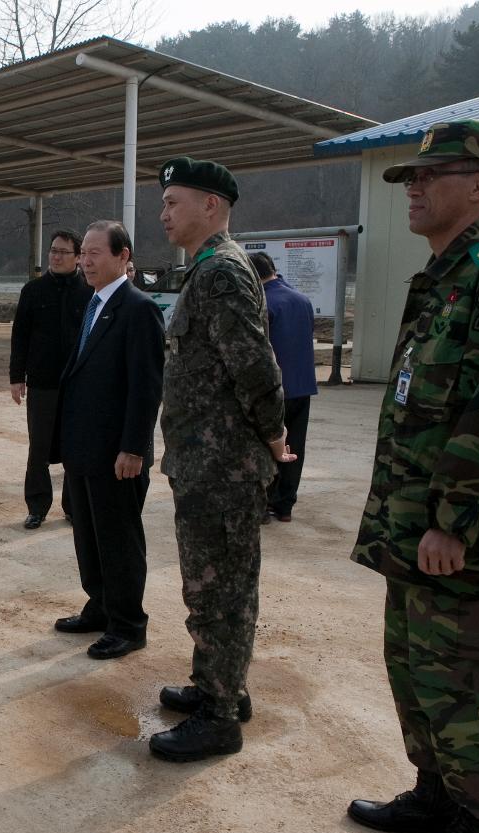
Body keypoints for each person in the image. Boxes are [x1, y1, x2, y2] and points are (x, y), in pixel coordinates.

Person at [347, 120, 479, 833]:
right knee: (414, 663)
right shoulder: (443, 277)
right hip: (413, 523)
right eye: (409, 179)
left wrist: (453, 520)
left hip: (457, 534)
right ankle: (436, 793)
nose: (414, 188)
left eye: (432, 175)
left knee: (460, 680)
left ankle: (478, 823)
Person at [149, 157, 293, 762]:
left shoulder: (223, 273)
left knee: (219, 590)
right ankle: (221, 685)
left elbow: (255, 368)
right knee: (217, 585)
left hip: (222, 465)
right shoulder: (209, 270)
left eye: (174, 201)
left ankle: (220, 715)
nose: (163, 213)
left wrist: (274, 435)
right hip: (204, 461)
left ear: (212, 205)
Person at [49, 221, 164, 659]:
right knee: (90, 538)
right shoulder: (94, 303)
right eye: (84, 254)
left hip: (118, 453)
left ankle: (129, 625)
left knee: (118, 541)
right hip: (85, 449)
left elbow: (146, 386)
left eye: (95, 253)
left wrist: (133, 447)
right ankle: (99, 607)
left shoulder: (138, 309)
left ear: (123, 256)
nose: (85, 261)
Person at [10, 229, 92, 529]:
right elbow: (19, 336)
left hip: (77, 384)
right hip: (42, 382)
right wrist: (16, 377)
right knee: (39, 446)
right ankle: (37, 506)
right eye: (53, 251)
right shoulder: (33, 292)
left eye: (63, 252)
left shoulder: (88, 292)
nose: (56, 256)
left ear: (78, 257)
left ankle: (73, 506)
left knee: (75, 445)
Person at [249, 251, 318, 523]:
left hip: (274, 389)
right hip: (302, 386)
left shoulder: (262, 304)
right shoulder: (303, 300)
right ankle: (286, 506)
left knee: (268, 445)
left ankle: (265, 503)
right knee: (294, 445)